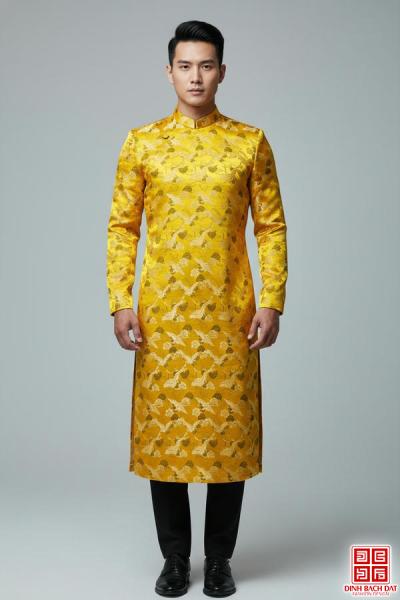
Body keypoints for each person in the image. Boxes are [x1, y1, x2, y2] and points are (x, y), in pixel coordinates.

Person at [106, 20, 288, 598]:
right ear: (169, 72)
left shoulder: (249, 142)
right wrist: (120, 301)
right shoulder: (142, 143)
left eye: (206, 65)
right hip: (162, 319)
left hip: (230, 314)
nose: (195, 77)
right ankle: (174, 559)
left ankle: (219, 561)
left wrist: (272, 300)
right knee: (165, 440)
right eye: (185, 66)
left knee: (227, 440)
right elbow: (122, 227)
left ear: (222, 72)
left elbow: (271, 227)